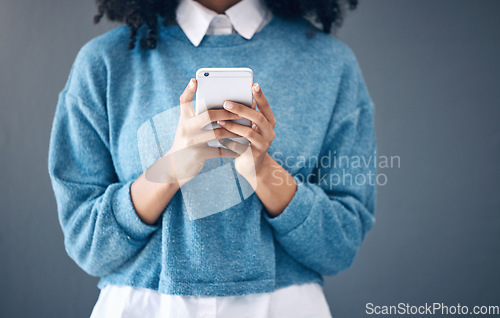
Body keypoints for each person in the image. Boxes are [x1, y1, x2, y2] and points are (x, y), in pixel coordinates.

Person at [48, 0, 377, 316]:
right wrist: (172, 168)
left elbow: (339, 246)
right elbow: (88, 245)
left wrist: (263, 170)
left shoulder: (330, 64)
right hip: (144, 306)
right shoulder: (105, 61)